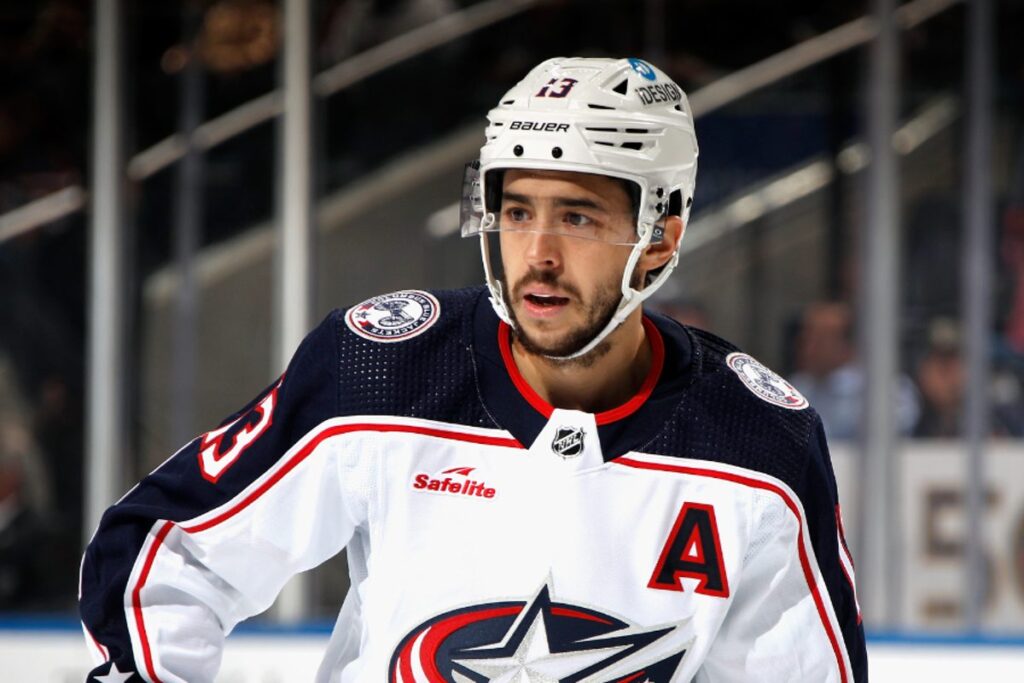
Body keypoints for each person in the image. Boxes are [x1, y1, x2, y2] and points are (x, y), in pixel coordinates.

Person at [80, 57, 866, 682]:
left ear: (660, 236)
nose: (538, 255)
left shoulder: (758, 443)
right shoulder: (384, 371)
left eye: (579, 216)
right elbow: (166, 549)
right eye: (518, 210)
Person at [789, 301, 918, 441]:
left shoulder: (888, 389)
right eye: (805, 338)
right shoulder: (794, 389)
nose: (807, 348)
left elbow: (895, 434)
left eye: (819, 340)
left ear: (846, 345)